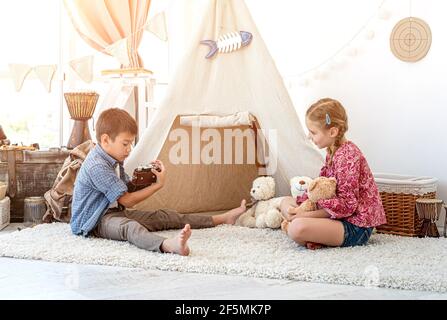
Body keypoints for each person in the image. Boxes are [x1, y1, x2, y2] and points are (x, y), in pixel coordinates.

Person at [70, 108, 246, 256]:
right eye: (125, 144)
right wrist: (157, 186)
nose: (129, 150)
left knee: (164, 216)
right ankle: (169, 245)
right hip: (94, 222)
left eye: (131, 144)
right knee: (130, 228)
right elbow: (127, 200)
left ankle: (221, 219)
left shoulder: (114, 159)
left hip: (114, 212)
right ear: (106, 140)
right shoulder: (97, 166)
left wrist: (148, 177)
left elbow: (127, 188)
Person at [280, 98, 386, 249]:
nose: (310, 137)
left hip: (354, 226)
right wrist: (302, 207)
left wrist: (304, 215)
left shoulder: (349, 156)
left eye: (313, 132)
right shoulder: (332, 151)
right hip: (337, 217)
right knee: (285, 201)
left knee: (297, 227)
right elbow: (326, 193)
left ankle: (303, 230)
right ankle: (313, 234)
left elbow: (347, 206)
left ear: (333, 131)